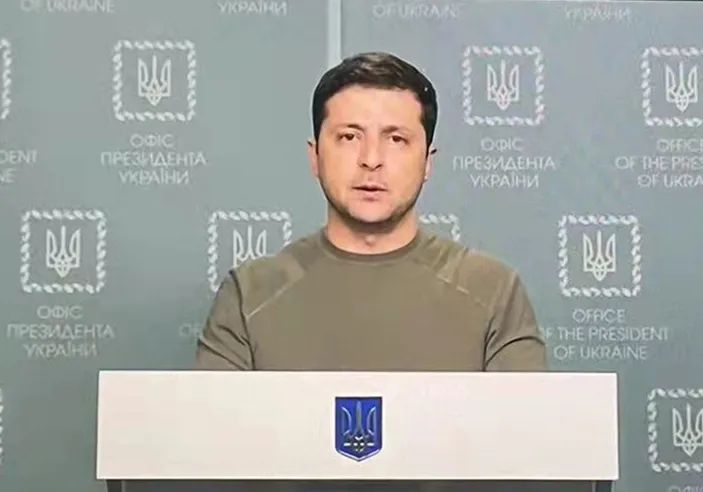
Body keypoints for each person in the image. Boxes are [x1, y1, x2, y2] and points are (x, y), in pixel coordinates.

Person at [195, 51, 547, 372]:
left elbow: (524, 421)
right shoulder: (248, 295)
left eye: (396, 139)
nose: (371, 159)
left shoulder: (493, 291)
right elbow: (214, 421)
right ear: (315, 156)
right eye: (349, 137)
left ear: (428, 161)